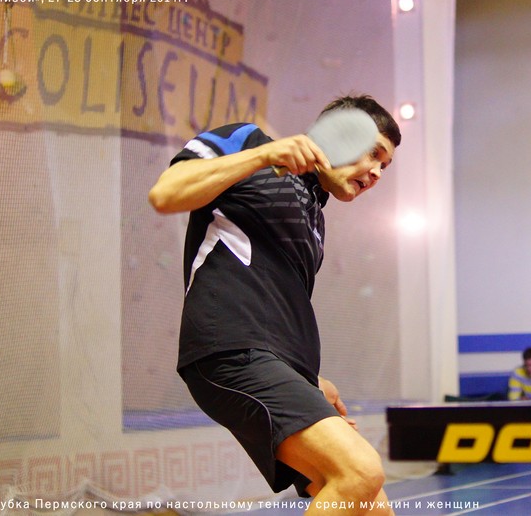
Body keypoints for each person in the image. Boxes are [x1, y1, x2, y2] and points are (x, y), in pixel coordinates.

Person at [148, 95, 401, 516]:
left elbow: (275, 305)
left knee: (371, 504)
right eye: (373, 153)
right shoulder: (248, 141)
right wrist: (264, 155)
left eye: (385, 166)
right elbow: (165, 194)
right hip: (231, 350)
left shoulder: (314, 217)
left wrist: (310, 380)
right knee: (359, 471)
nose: (376, 172)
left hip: (272, 360)